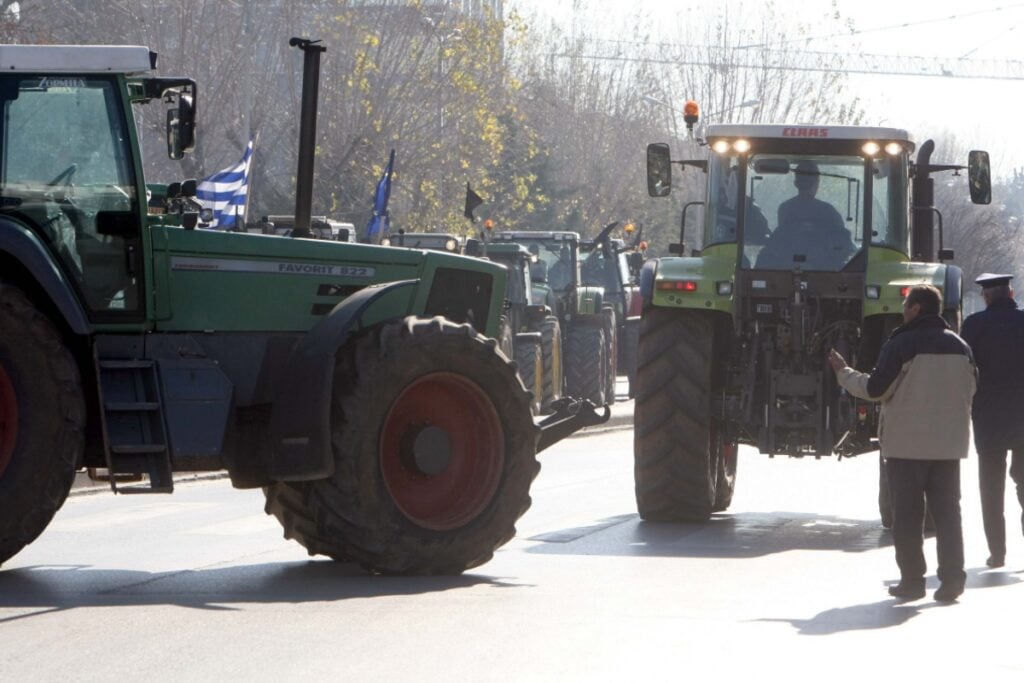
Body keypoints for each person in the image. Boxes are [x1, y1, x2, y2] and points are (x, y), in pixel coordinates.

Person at [828, 285, 976, 602]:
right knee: (949, 516)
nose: (904, 310)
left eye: (907, 304)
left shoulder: (901, 343)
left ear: (917, 309)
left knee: (907, 518)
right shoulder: (962, 347)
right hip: (948, 448)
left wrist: (844, 373)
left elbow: (876, 388)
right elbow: (972, 388)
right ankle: (952, 580)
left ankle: (912, 583)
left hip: (906, 448)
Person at [960, 273, 1024, 569]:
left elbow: (964, 370)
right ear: (1011, 294)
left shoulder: (973, 326)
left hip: (988, 418)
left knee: (991, 488)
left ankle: (997, 553)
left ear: (986, 297)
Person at [755, 160, 856, 269]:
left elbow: (779, 246)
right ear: (817, 183)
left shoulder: (785, 208)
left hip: (784, 274)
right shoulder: (829, 211)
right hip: (826, 276)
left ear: (796, 183)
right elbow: (843, 249)